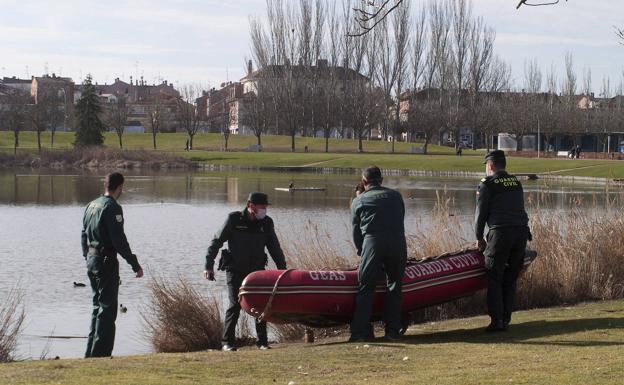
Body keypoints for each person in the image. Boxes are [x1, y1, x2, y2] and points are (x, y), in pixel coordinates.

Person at [203, 192, 287, 351]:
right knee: (235, 305)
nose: (264, 209)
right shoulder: (234, 220)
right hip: (235, 269)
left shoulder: (267, 223)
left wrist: (283, 271)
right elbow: (216, 242)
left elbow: (275, 249)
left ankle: (262, 342)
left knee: (260, 305)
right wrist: (208, 265)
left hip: (257, 271)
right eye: (262, 206)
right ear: (251, 205)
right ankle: (227, 343)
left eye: (265, 207)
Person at [81, 172, 144, 358]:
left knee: (96, 307)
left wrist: (87, 257)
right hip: (106, 261)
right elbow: (119, 241)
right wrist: (134, 264)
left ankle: (90, 353)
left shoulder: (91, 205)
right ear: (119, 187)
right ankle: (100, 355)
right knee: (107, 310)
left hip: (92, 260)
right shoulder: (113, 207)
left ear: (105, 185)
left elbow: (83, 235)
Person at [350, 166, 407, 342]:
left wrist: (362, 251)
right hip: (397, 241)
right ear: (381, 180)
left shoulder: (359, 201)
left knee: (366, 288)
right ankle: (392, 332)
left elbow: (356, 231)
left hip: (373, 242)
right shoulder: (396, 196)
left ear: (364, 182)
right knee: (394, 286)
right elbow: (400, 218)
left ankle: (359, 333)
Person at [475, 150, 530, 332]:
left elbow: (480, 215)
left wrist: (478, 238)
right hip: (521, 233)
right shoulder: (516, 182)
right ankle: (506, 320)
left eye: (486, 166)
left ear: (490, 165)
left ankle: (496, 321)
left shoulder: (487, 184)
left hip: (501, 234)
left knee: (495, 276)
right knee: (510, 277)